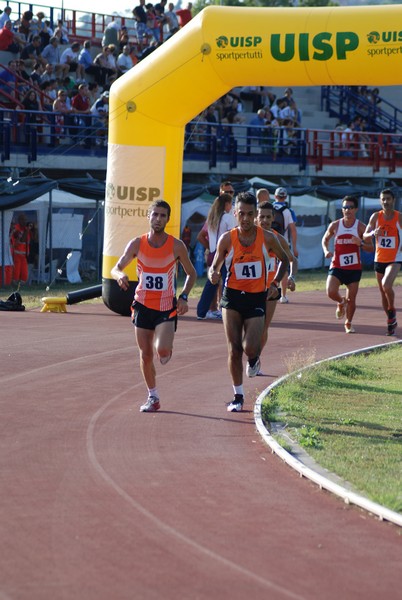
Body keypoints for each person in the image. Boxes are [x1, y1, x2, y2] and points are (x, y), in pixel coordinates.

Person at [111, 199, 197, 412]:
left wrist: (184, 296)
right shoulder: (136, 244)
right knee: (145, 354)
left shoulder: (176, 245)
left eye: (162, 215)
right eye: (155, 214)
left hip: (166, 306)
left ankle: (166, 347)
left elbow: (191, 273)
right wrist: (120, 274)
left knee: (162, 350)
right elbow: (116, 267)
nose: (158, 219)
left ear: (168, 219)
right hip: (142, 305)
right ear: (148, 216)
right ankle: (153, 396)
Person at [209, 191, 289, 412]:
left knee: (250, 347)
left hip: (256, 297)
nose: (245, 218)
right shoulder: (227, 238)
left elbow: (285, 260)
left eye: (249, 214)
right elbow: (214, 266)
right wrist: (213, 275)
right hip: (232, 297)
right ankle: (238, 395)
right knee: (234, 350)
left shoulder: (268, 238)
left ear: (255, 215)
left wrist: (273, 284)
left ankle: (254, 359)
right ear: (235, 213)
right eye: (241, 213)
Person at [322, 195, 372, 334]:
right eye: (345, 207)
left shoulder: (361, 227)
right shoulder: (335, 225)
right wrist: (326, 250)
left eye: (350, 207)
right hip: (337, 265)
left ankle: (348, 323)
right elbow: (325, 239)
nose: (347, 210)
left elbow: (371, 247)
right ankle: (340, 301)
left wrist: (360, 243)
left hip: (354, 268)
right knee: (330, 291)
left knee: (352, 299)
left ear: (355, 209)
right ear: (342, 209)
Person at [257, 201, 297, 363]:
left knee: (263, 328)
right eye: (262, 217)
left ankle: (256, 359)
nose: (265, 220)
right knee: (248, 328)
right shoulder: (246, 237)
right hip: (248, 288)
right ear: (255, 218)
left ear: (273, 218)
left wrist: (292, 277)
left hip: (271, 289)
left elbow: (292, 260)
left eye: (268, 217)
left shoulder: (278, 239)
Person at [363, 188, 402, 336]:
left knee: (387, 285)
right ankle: (391, 322)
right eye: (383, 199)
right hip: (379, 258)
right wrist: (373, 233)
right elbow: (365, 236)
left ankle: (392, 310)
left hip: (395, 258)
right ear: (380, 201)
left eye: (388, 199)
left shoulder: (399, 217)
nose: (385, 201)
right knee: (382, 292)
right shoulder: (375, 217)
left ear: (393, 200)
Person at [196, 192, 236, 320]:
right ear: (226, 204)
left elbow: (200, 236)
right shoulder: (228, 218)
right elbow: (233, 235)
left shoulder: (211, 218)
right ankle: (227, 311)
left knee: (211, 282)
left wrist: (210, 247)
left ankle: (201, 311)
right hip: (226, 254)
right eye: (231, 203)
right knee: (227, 282)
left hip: (213, 254)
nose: (232, 206)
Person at [272, 186, 298, 303]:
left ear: (275, 196)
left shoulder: (269, 207)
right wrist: (295, 246)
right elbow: (293, 230)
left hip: (268, 241)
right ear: (285, 197)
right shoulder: (288, 211)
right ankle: (283, 295)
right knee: (284, 265)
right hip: (283, 242)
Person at [11, 213, 31, 285]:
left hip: (24, 255)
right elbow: (22, 239)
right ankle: (14, 285)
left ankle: (21, 286)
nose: (25, 222)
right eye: (23, 220)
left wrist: (33, 229)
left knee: (24, 274)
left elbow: (33, 239)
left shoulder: (26, 229)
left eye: (26, 220)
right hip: (17, 254)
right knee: (16, 272)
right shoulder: (16, 228)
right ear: (19, 220)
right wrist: (27, 230)